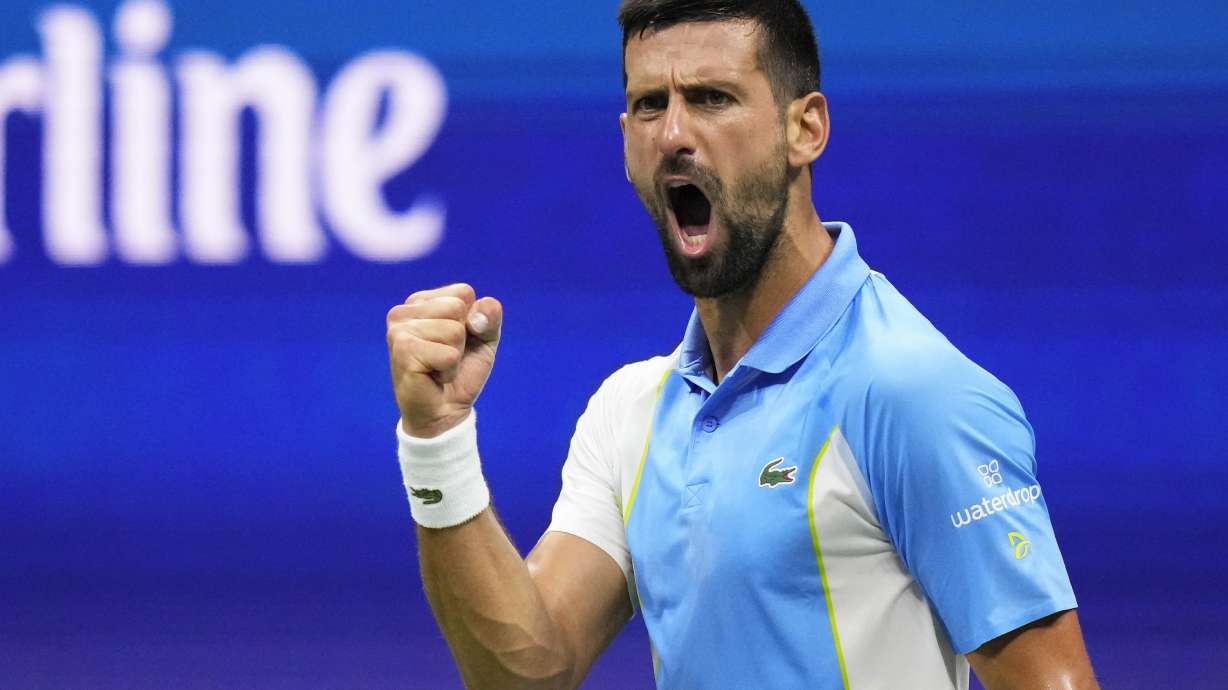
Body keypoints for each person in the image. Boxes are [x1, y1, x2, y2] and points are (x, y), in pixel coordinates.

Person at [384, 1, 1099, 688]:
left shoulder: (911, 391)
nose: (673, 134)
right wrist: (436, 439)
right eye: (649, 105)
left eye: (713, 98)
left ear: (805, 128)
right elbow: (524, 674)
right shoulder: (628, 411)